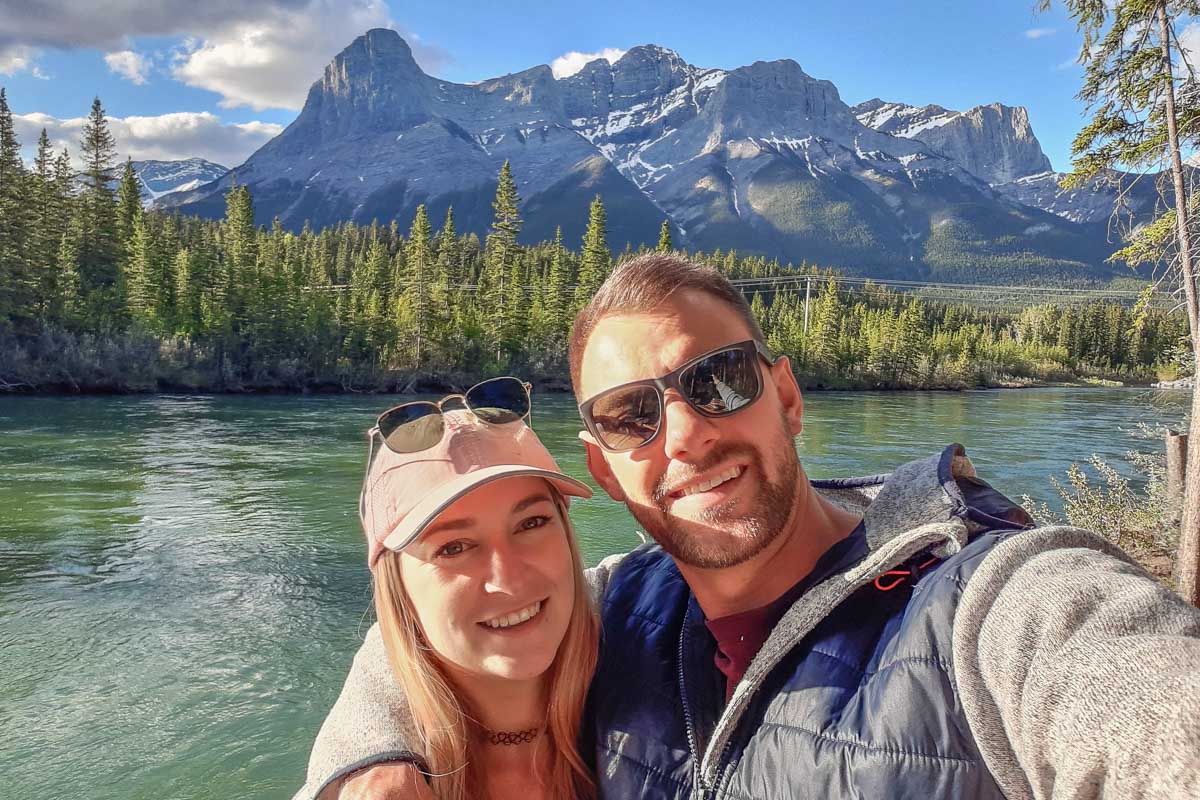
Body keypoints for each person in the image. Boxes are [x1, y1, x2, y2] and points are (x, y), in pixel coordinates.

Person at [297, 256, 1200, 800]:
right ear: (604, 468)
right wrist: (367, 754)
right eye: (630, 415)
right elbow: (433, 618)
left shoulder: (990, 603)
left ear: (790, 397)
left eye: (718, 380)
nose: (687, 433)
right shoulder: (615, 604)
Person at [319, 379, 601, 800]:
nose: (507, 580)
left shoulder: (645, 629)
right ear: (399, 590)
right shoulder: (369, 787)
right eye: (453, 548)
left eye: (531, 523)